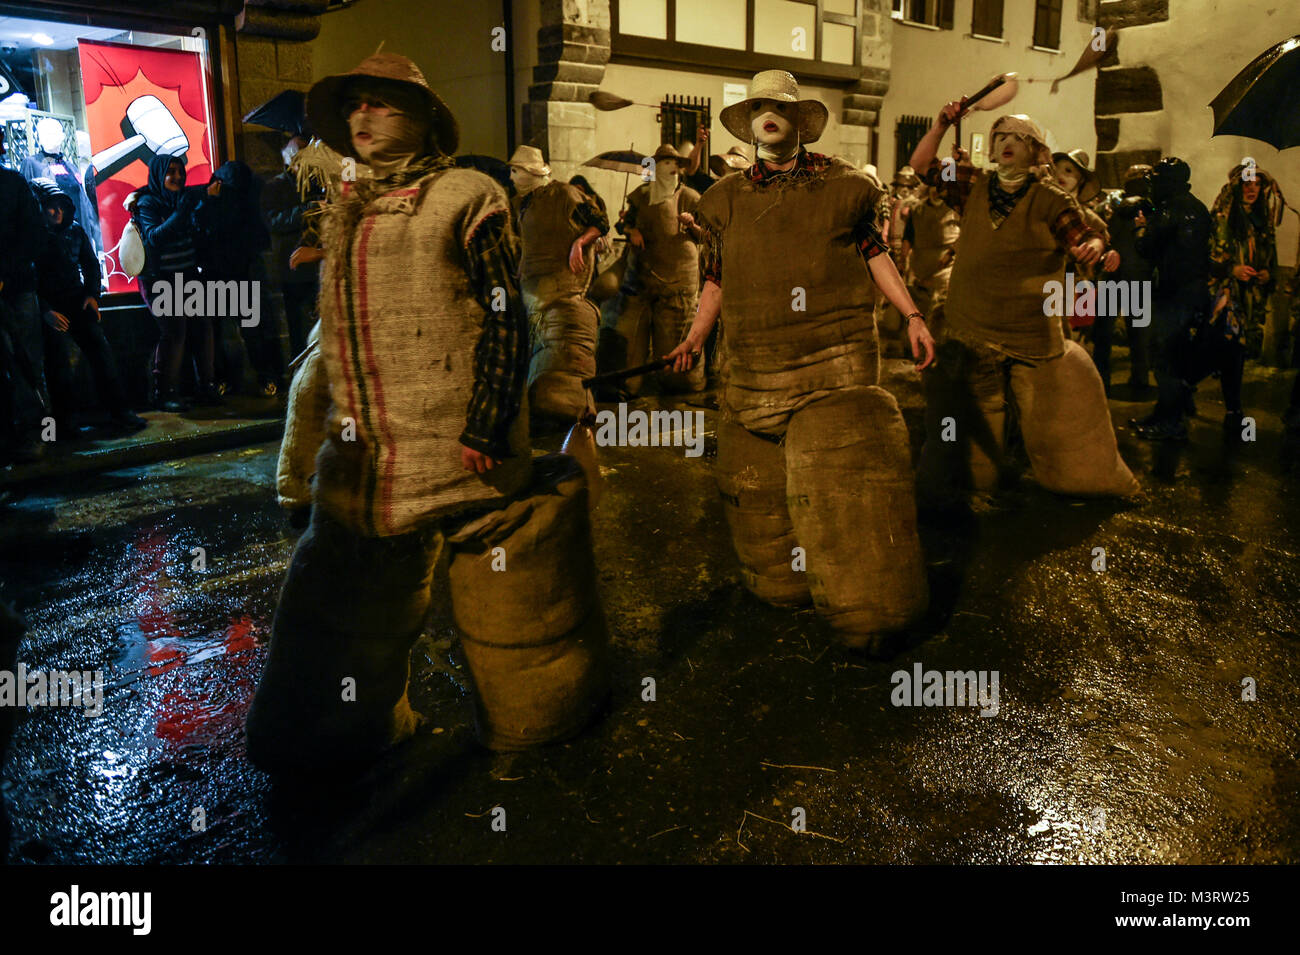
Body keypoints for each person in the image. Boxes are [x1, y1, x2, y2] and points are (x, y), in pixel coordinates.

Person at [246, 53, 604, 773]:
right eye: (354, 107)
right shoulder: (351, 213)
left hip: (463, 445)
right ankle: (346, 731)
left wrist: (485, 424)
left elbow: (504, 320)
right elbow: (341, 343)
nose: (363, 118)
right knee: (342, 604)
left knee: (508, 585)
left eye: (381, 104)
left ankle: (533, 718)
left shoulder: (467, 196)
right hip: (372, 461)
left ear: (421, 118)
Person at [667, 70, 935, 653]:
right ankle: (786, 584)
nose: (768, 114)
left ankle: (869, 610)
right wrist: (693, 338)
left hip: (832, 370)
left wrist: (913, 315)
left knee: (847, 488)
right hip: (756, 372)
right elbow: (716, 278)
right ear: (750, 121)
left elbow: (875, 253)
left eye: (779, 107)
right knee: (761, 498)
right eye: (759, 106)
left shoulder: (843, 187)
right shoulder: (725, 201)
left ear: (799, 122)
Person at [911, 108, 1137, 502]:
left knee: (1042, 413)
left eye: (1018, 138)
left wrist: (1096, 248)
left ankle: (1042, 469)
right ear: (993, 151)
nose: (1006, 144)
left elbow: (1084, 235)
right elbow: (922, 165)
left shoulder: (1050, 199)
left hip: (1028, 333)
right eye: (1000, 138)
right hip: (972, 325)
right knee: (978, 413)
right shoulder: (972, 186)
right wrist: (941, 125)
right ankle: (981, 478)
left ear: (1036, 152)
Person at [30, 178, 146, 434]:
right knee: (58, 364)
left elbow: (91, 264)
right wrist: (45, 311)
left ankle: (120, 411)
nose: (57, 211)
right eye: (50, 206)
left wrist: (92, 295)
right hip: (50, 307)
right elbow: (29, 280)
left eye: (60, 205)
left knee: (102, 352)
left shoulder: (74, 231)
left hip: (75, 300)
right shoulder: (32, 239)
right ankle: (65, 422)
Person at [507, 144, 609, 425]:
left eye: (516, 171)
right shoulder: (519, 205)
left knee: (566, 366)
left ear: (530, 172)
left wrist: (581, 241)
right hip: (532, 295)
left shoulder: (563, 194)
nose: (512, 178)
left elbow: (599, 222)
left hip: (563, 294)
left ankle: (576, 414)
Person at [607, 143, 705, 395]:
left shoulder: (689, 198)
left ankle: (682, 383)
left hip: (680, 279)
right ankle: (634, 382)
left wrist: (692, 225)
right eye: (665, 164)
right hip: (644, 276)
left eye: (675, 164)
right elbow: (623, 226)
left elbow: (707, 234)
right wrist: (632, 229)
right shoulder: (641, 196)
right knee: (637, 336)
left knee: (676, 336)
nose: (671, 169)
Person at [1131, 158, 1213, 442]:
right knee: (1174, 357)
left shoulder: (1171, 209)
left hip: (1173, 295)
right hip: (1190, 293)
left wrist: (1141, 227)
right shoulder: (1197, 208)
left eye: (1156, 181)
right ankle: (1164, 414)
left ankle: (1170, 421)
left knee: (1166, 359)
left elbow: (1147, 247)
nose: (1151, 187)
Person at [134, 154, 220, 412]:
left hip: (188, 275)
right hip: (160, 279)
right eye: (170, 172)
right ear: (159, 175)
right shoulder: (149, 203)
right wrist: (183, 212)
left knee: (203, 327)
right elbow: (154, 237)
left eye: (180, 172)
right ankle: (164, 393)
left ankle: (207, 387)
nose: (177, 177)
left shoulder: (184, 198)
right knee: (174, 331)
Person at [1205, 162, 1283, 433]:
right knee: (1232, 347)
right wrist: (1231, 269)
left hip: (1251, 295)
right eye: (1247, 183)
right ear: (1238, 186)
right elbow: (1210, 253)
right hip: (1226, 292)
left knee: (1229, 349)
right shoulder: (1224, 215)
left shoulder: (1262, 216)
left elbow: (1268, 252)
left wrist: (1266, 273)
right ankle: (1233, 409)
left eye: (1257, 184)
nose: (1252, 189)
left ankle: (1185, 388)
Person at [199, 160, 284, 397]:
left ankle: (224, 381)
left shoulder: (218, 197)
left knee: (224, 334)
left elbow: (207, 230)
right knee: (250, 331)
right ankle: (264, 378)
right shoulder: (247, 195)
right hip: (237, 273)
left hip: (220, 274)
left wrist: (212, 202)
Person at [1053, 149, 1120, 389]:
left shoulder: (1089, 218)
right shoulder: (1041, 208)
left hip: (1077, 286)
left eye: (1069, 171)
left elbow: (1104, 246)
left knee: (1074, 344)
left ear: (1080, 181)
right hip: (1044, 285)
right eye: (1057, 169)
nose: (1062, 176)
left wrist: (1107, 254)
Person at [0, 147, 51, 463]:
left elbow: (34, 237)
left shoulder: (13, 183)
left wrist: (6, 272)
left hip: (17, 288)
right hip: (15, 285)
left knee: (30, 362)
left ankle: (44, 434)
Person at [262, 133, 325, 361]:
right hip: (293, 267)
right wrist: (307, 208)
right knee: (298, 328)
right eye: (299, 157)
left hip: (317, 263)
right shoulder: (275, 186)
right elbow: (274, 221)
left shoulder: (317, 182)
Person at [1101, 164, 1156, 394]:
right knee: (1131, 332)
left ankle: (1108, 378)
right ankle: (1135, 379)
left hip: (1123, 274)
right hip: (1130, 274)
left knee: (1119, 331)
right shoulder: (1148, 206)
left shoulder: (1117, 204)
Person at [900, 183, 960, 345]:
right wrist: (902, 259)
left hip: (946, 272)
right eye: (934, 186)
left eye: (940, 188)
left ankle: (939, 347)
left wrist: (950, 253)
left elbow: (966, 236)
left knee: (941, 313)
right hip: (920, 272)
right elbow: (908, 237)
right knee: (919, 312)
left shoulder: (956, 211)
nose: (936, 191)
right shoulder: (917, 210)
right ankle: (914, 347)